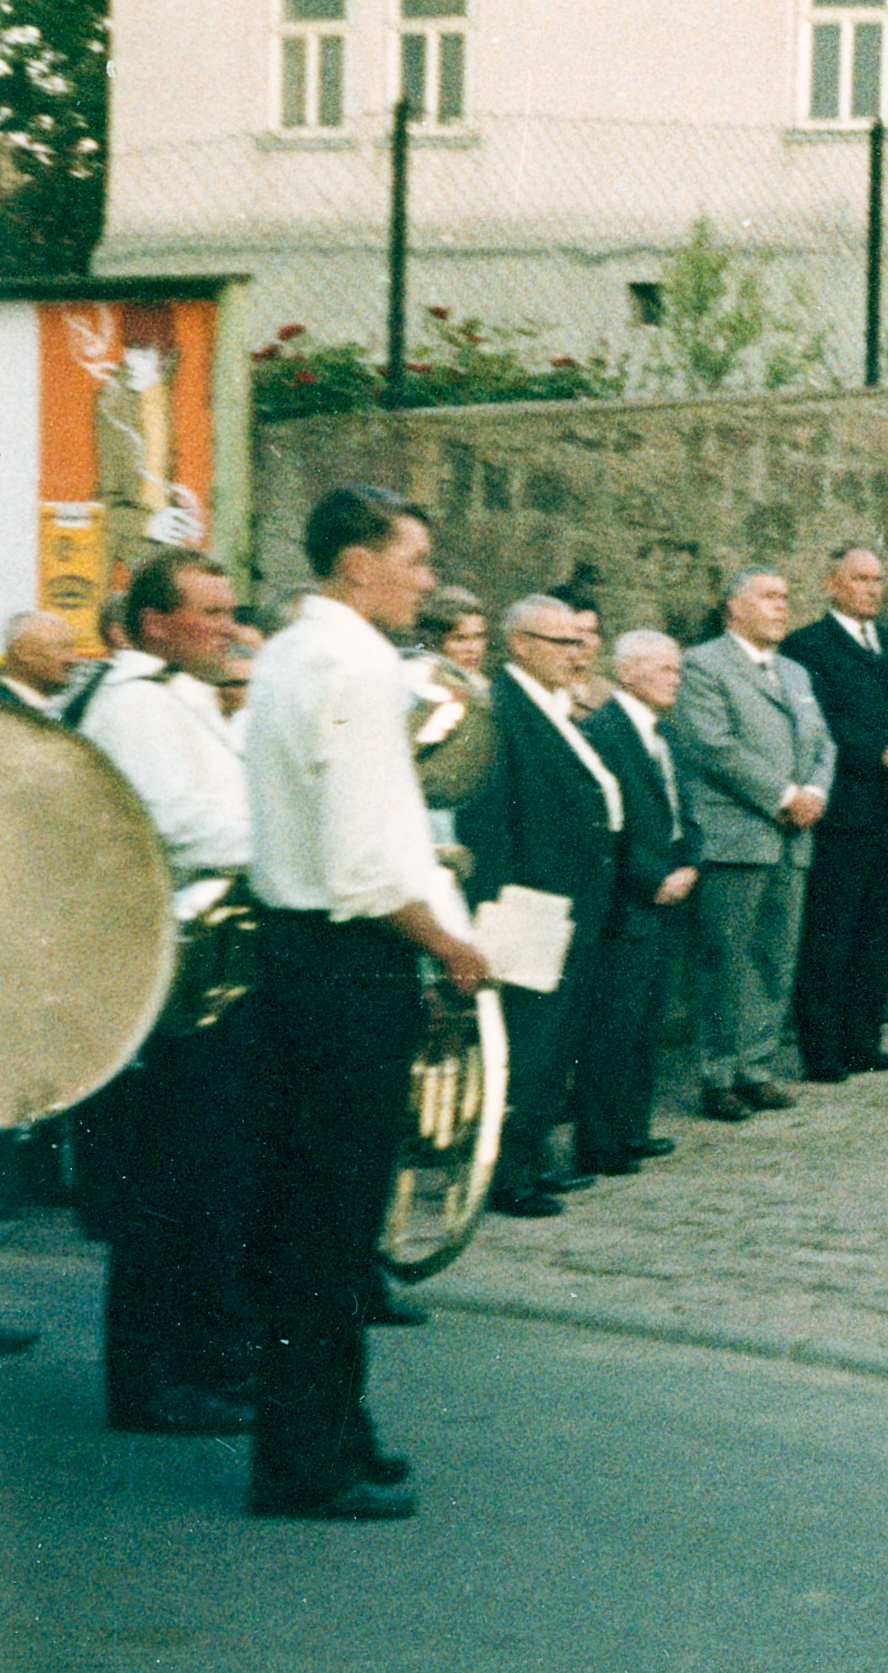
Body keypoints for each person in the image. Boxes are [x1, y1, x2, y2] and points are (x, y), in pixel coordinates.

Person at [243, 485, 487, 1520]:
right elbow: (363, 861)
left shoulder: (294, 652)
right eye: (415, 559)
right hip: (347, 960)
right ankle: (305, 1457)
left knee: (319, 1220)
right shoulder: (354, 663)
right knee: (328, 1225)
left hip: (306, 955)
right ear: (356, 561)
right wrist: (448, 947)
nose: (426, 581)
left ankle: (335, 1428)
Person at [71, 549, 259, 1437]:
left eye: (230, 611)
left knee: (206, 1180)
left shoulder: (178, 695)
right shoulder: (137, 703)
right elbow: (173, 823)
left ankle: (206, 1361)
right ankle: (153, 1381)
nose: (227, 626)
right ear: (155, 622)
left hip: (208, 964)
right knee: (169, 1184)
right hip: (176, 968)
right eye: (210, 612)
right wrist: (281, 837)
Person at [458, 594, 623, 1219]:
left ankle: (529, 1157)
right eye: (561, 643)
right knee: (526, 1043)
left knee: (554, 1042)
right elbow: (490, 820)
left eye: (580, 643)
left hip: (571, 902)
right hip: (526, 905)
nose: (577, 654)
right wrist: (495, 912)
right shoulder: (501, 711)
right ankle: (506, 1173)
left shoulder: (555, 708)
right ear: (520, 643)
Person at [670, 568, 834, 1121]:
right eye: (769, 597)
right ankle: (718, 1073)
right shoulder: (704, 665)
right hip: (738, 836)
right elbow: (712, 746)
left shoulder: (795, 672)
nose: (781, 607)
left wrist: (813, 789)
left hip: (793, 838)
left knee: (774, 955)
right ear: (733, 608)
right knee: (727, 959)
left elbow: (823, 743)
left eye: (786, 597)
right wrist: (784, 794)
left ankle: (756, 1066)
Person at [779, 548, 888, 1083]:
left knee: (879, 931)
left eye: (878, 579)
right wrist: (881, 752)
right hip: (846, 807)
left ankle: (866, 1039)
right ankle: (823, 1050)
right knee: (831, 930)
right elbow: (824, 722)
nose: (872, 588)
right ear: (832, 584)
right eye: (860, 579)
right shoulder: (808, 647)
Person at [574, 629, 696, 1176]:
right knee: (613, 1025)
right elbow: (609, 823)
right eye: (664, 669)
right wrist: (651, 879)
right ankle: (600, 1141)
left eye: (677, 668)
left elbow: (680, 807)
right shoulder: (605, 732)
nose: (676, 678)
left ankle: (632, 1129)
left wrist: (692, 858)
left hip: (668, 892)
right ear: (627, 672)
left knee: (646, 1019)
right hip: (630, 900)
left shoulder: (662, 733)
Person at [2, 608, 76, 713]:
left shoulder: (54, 713)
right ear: (24, 652)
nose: (72, 660)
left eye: (72, 649)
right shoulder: (7, 714)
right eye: (61, 648)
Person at [415, 585, 488, 674]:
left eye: (478, 637)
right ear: (435, 640)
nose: (472, 649)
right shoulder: (420, 679)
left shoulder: (482, 684)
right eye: (459, 639)